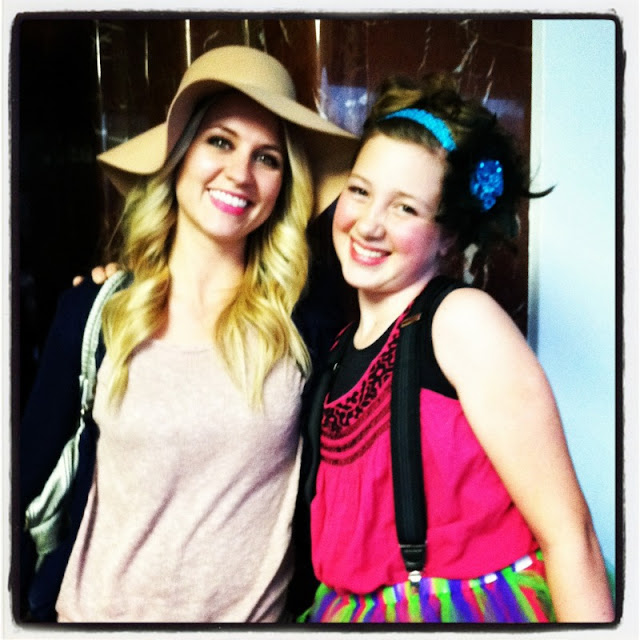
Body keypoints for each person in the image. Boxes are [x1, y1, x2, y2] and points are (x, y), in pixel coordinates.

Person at [19, 44, 357, 623]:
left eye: (267, 158)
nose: (240, 174)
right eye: (220, 142)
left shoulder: (307, 324)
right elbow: (22, 482)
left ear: (285, 184)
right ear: (178, 156)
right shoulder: (94, 313)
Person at [300, 73, 615, 623]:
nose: (369, 224)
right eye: (360, 190)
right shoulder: (337, 347)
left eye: (405, 208)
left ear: (447, 236)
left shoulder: (462, 321)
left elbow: (570, 535)